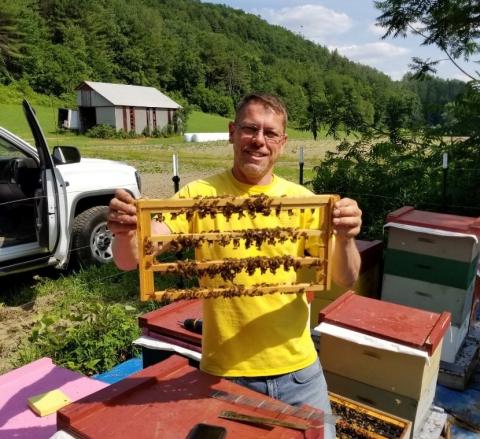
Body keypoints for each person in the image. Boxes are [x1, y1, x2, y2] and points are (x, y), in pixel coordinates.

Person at [108, 93, 362, 438]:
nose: (259, 140)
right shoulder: (198, 196)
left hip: (301, 374)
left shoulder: (303, 202)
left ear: (282, 143)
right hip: (226, 374)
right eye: (249, 128)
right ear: (232, 132)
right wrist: (126, 231)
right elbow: (129, 259)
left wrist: (346, 237)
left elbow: (346, 278)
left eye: (270, 133)